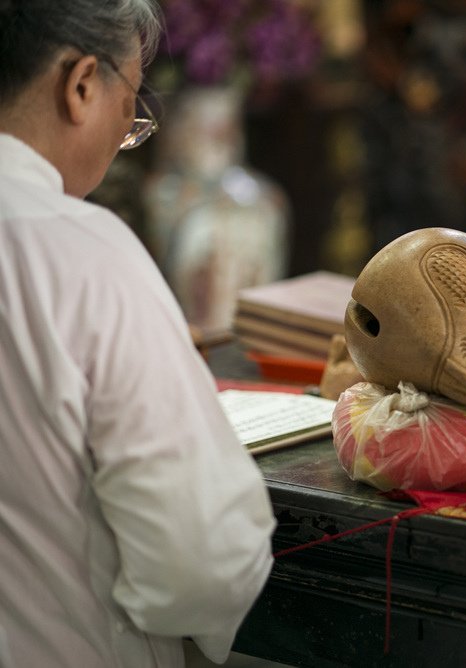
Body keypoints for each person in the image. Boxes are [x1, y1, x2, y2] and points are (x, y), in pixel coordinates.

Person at [0, 2, 275, 666]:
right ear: (82, 85)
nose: (130, 123)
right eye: (132, 100)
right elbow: (201, 559)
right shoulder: (79, 251)